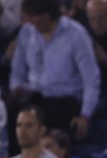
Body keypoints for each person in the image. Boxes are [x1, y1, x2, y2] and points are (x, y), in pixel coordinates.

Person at [10, 0, 100, 138]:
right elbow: (17, 71)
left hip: (64, 102)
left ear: (47, 16)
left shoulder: (76, 34)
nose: (30, 23)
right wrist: (16, 88)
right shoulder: (27, 32)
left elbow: (91, 78)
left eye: (34, 18)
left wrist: (85, 115)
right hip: (34, 97)